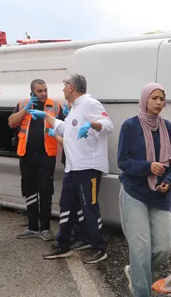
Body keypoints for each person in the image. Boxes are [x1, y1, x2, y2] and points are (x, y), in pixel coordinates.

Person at [29, 73, 113, 264]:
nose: (63, 88)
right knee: (66, 206)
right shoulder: (75, 108)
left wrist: (92, 124)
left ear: (72, 87)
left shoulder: (90, 103)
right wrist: (45, 117)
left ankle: (99, 248)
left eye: (64, 85)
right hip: (73, 168)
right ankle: (63, 245)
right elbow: (64, 128)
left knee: (89, 207)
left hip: (88, 168)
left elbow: (108, 125)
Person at [117, 83, 171, 297]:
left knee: (164, 246)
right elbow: (122, 161)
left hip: (160, 194)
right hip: (134, 191)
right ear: (145, 99)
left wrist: (169, 181)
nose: (159, 103)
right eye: (154, 98)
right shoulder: (130, 126)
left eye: (162, 98)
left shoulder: (168, 127)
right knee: (141, 245)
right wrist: (148, 167)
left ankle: (135, 271)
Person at [8, 79, 67, 241]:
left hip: (46, 156)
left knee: (45, 190)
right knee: (29, 189)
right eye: (39, 91)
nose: (43, 93)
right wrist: (25, 110)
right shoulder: (22, 104)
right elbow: (11, 123)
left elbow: (65, 126)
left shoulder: (55, 106)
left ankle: (45, 228)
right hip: (26, 155)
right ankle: (33, 227)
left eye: (45, 90)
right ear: (32, 92)